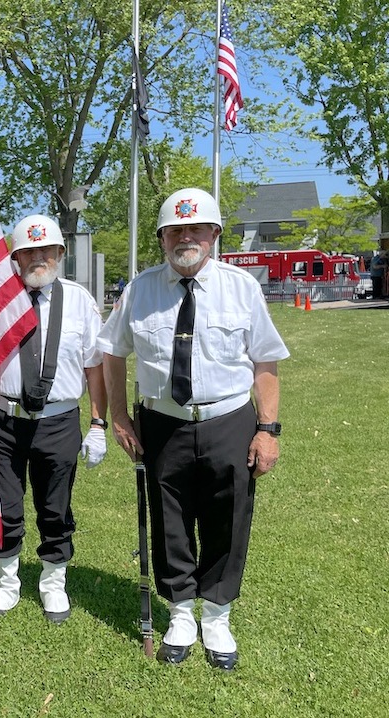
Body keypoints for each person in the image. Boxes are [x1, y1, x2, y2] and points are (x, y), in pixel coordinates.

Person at [97, 189, 289, 671]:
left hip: (229, 420)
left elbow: (265, 360)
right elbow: (112, 352)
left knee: (228, 517)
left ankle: (217, 616)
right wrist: (118, 416)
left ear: (214, 234)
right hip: (163, 422)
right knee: (170, 519)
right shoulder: (140, 290)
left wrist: (268, 429)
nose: (186, 237)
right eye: (175, 230)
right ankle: (181, 614)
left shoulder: (241, 287)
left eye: (196, 228)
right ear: (162, 238)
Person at [0, 214, 107, 625]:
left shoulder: (80, 301)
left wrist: (98, 424)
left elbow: (95, 367)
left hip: (58, 421)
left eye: (46, 251)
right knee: (4, 504)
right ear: (15, 258)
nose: (38, 258)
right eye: (28, 252)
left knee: (55, 507)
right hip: (3, 421)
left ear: (60, 253)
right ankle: (7, 582)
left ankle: (53, 582)